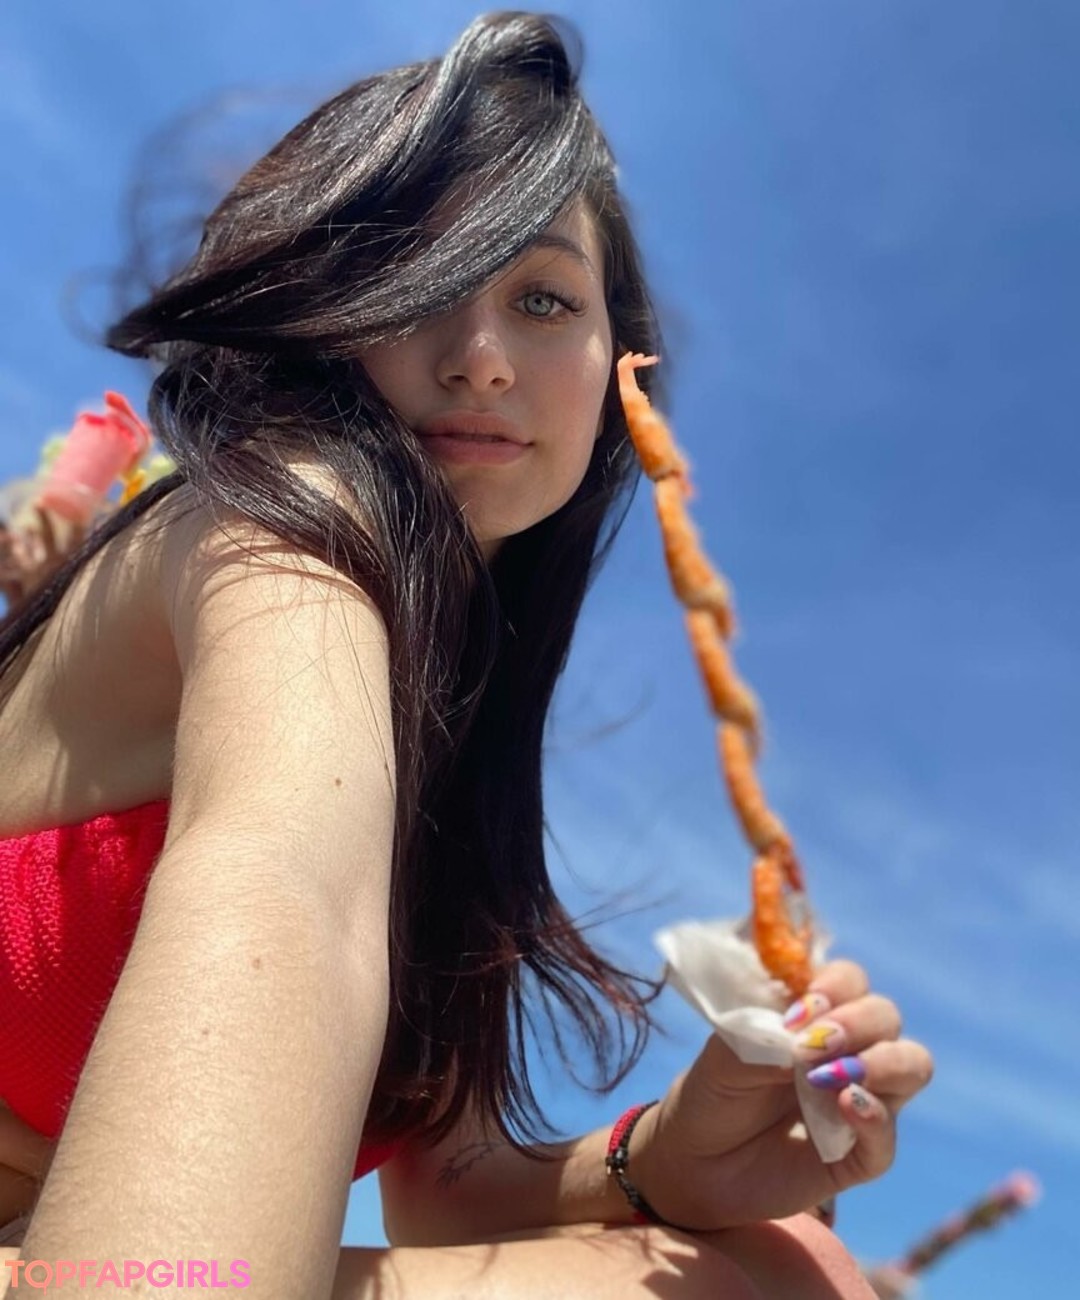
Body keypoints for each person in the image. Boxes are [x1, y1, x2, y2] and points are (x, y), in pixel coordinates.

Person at [0, 13, 932, 1298]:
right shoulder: (288, 526)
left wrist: (665, 1157)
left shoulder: (452, 713)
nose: (481, 360)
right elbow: (284, 892)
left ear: (617, 371)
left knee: (790, 1263)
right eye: (417, 279)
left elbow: (449, 1187)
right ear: (321, 314)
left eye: (542, 299)